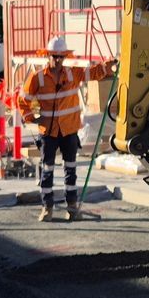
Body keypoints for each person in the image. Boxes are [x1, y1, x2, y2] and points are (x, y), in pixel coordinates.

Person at [18, 36, 115, 222]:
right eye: (54, 56)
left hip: (69, 131)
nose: (57, 60)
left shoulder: (72, 74)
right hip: (49, 133)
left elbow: (92, 73)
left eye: (61, 56)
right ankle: (47, 208)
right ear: (48, 56)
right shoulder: (37, 77)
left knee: (70, 170)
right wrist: (31, 118)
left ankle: (72, 207)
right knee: (47, 171)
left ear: (65, 57)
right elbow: (23, 100)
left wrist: (106, 67)